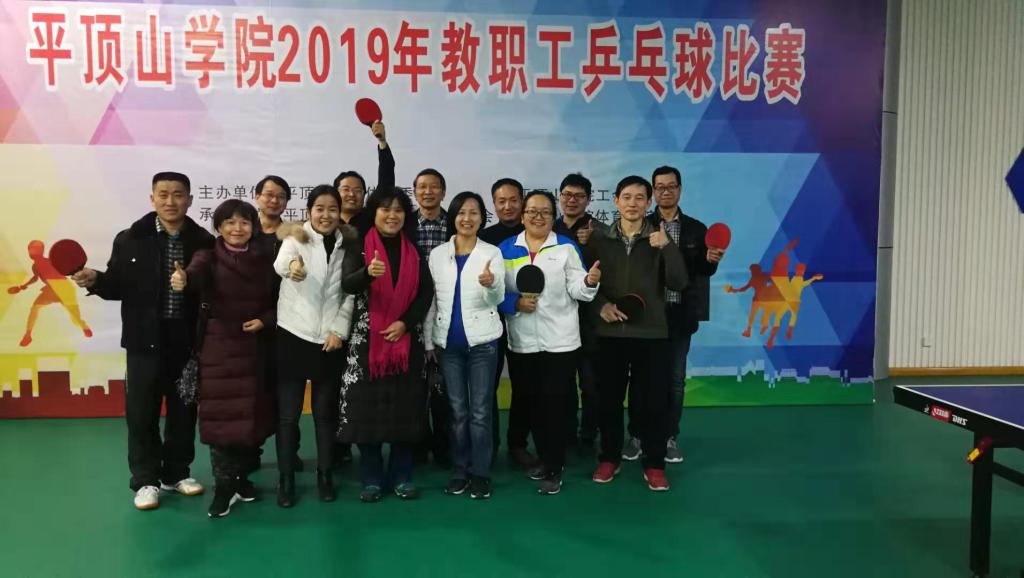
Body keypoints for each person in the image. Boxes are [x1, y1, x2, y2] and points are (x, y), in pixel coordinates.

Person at [72, 172, 213, 510]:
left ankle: (176, 473)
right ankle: (146, 480)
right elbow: (117, 285)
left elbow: (211, 287)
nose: (170, 201)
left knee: (184, 411)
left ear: (190, 200)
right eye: (163, 194)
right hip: (143, 343)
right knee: (141, 414)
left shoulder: (204, 241)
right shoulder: (130, 238)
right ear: (152, 199)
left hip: (186, 344)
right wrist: (96, 279)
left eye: (178, 194)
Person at [170, 199, 277, 517]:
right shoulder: (208, 256)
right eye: (229, 222)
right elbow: (194, 276)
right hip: (219, 348)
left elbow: (280, 299)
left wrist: (265, 320)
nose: (237, 228)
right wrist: (183, 280)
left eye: (244, 222)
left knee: (249, 419)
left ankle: (241, 480)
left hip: (255, 348)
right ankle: (223, 487)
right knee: (220, 420)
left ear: (253, 227)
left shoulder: (266, 258)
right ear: (218, 227)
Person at [586, 176, 687, 492]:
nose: (632, 203)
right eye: (626, 197)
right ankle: (609, 458)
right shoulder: (598, 240)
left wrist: (667, 247)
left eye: (640, 197)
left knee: (653, 403)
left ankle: (654, 464)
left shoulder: (660, 240)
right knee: (608, 401)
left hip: (651, 334)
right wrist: (600, 306)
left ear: (649, 202)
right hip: (609, 334)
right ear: (615, 201)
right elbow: (583, 284)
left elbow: (679, 282)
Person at [498, 190, 600, 495]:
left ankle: (554, 466)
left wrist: (589, 282)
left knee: (554, 406)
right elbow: (495, 293)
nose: (538, 217)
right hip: (522, 342)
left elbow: (578, 289)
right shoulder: (506, 249)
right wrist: (514, 303)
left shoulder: (565, 247)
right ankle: (542, 457)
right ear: (522, 216)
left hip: (561, 342)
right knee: (531, 403)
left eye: (544, 211)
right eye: (532, 211)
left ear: (552, 216)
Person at [622, 166, 723, 464]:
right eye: (660, 187)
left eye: (671, 186)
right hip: (646, 317)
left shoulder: (696, 229)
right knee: (640, 380)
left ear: (679, 189)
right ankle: (637, 436)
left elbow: (703, 271)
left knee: (675, 380)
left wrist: (711, 261)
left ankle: (669, 437)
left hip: (680, 316)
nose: (665, 192)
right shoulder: (641, 224)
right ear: (653, 192)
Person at [339, 186, 434, 502]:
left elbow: (425, 293)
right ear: (374, 213)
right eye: (385, 209)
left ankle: (401, 476)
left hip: (406, 343)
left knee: (405, 411)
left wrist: (405, 323)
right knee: (367, 412)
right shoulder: (359, 246)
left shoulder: (414, 251)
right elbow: (347, 284)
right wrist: (367, 273)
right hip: (367, 345)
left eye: (398, 210)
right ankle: (371, 478)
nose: (392, 215)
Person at [272, 185, 355, 507]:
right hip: (293, 334)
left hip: (329, 340)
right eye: (319, 208)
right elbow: (282, 264)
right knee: (288, 416)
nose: (326, 215)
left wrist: (339, 330)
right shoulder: (296, 238)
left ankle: (325, 473)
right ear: (309, 212)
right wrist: (293, 269)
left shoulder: (348, 244)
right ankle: (286, 478)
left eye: (332, 209)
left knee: (325, 415)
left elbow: (350, 293)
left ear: (339, 213)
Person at [424, 191, 504, 499]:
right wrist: (429, 341)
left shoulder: (491, 253)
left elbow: (497, 299)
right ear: (453, 217)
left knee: (481, 412)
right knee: (457, 411)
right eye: (461, 212)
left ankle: (480, 473)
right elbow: (432, 301)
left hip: (483, 343)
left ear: (482, 218)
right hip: (449, 346)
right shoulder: (438, 254)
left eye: (473, 213)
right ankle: (459, 470)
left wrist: (491, 285)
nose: (467, 218)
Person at [477, 178, 533, 468]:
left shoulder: (535, 234)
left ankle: (517, 444)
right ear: (494, 205)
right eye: (501, 201)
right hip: (491, 325)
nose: (508, 206)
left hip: (528, 324)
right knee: (487, 388)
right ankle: (489, 446)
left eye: (513, 200)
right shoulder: (484, 238)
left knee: (524, 386)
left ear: (522, 201)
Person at [553, 172, 608, 450]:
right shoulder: (549, 230)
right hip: (557, 319)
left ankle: (588, 434)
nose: (571, 200)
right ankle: (565, 433)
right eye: (567, 194)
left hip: (589, 321)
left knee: (590, 383)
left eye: (578, 196)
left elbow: (609, 272)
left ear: (589, 200)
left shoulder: (601, 231)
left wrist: (594, 242)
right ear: (559, 196)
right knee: (562, 384)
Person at [412, 168, 452, 467]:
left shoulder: (456, 223)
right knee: (414, 386)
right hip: (412, 312)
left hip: (447, 312)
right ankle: (416, 445)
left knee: (443, 386)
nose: (428, 192)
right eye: (422, 187)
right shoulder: (404, 224)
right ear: (415, 192)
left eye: (434, 186)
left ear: (443, 192)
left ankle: (443, 446)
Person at [9, 240, 93, 347]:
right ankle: (28, 335)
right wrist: (22, 286)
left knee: (75, 317)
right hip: (51, 290)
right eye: (31, 248)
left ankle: (84, 327)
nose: (33, 250)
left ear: (41, 250)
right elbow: (35, 278)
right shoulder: (35, 266)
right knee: (35, 309)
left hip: (64, 288)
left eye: (36, 248)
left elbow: (64, 268)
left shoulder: (51, 261)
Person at [332, 120, 395, 237]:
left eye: (357, 190)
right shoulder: (326, 221)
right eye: (346, 189)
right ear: (335, 193)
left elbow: (386, 182)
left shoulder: (372, 218)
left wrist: (382, 142)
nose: (351, 194)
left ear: (364, 194)